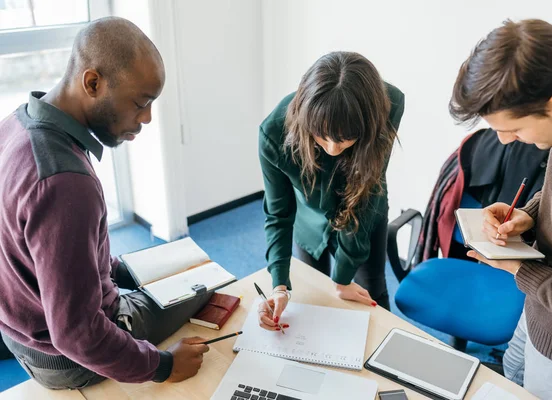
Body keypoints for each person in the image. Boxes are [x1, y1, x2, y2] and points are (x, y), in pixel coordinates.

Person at [0, 17, 211, 389]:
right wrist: (163, 366)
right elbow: (77, 335)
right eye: (141, 103)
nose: (146, 118)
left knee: (167, 269)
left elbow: (45, 250)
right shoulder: (66, 183)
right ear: (93, 83)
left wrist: (118, 271)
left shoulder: (15, 124)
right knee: (205, 282)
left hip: (19, 332)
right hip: (65, 359)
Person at [450, 19, 552, 400]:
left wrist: (522, 272)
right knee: (511, 373)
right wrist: (532, 212)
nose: (503, 141)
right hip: (537, 314)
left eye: (514, 131)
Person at [257, 51, 405, 330]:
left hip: (365, 209)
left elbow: (365, 192)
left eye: (346, 138)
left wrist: (343, 277)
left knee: (372, 292)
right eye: (320, 135)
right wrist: (278, 284)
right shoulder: (273, 133)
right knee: (313, 298)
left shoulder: (388, 106)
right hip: (308, 217)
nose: (333, 148)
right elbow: (278, 214)